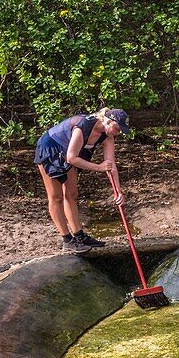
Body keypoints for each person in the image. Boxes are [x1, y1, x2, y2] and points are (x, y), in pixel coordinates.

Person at [34, 107, 130, 253]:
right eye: (117, 128)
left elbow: (111, 165)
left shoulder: (108, 136)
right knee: (56, 196)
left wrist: (118, 192)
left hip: (70, 153)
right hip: (51, 148)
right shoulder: (84, 126)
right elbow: (71, 158)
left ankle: (79, 236)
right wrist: (98, 167)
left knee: (72, 194)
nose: (118, 132)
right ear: (108, 121)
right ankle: (67, 240)